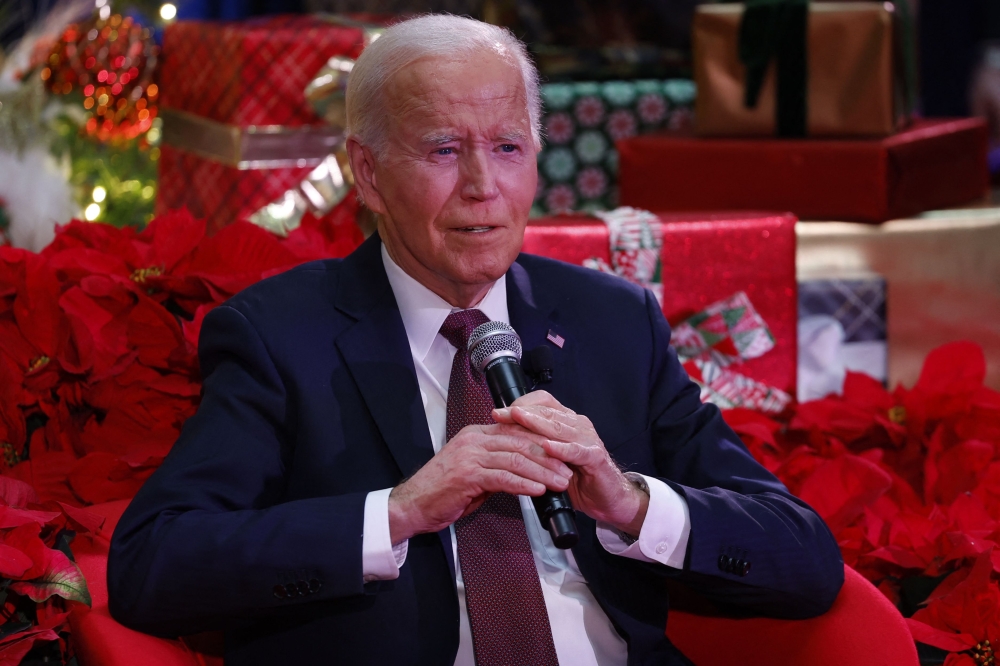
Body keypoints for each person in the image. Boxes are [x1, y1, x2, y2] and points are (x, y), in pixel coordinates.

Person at [108, 14, 843, 666]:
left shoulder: (614, 321)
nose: (482, 185)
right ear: (368, 173)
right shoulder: (279, 335)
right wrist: (398, 512)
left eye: (508, 147)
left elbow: (805, 557)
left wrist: (629, 504)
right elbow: (152, 565)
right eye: (442, 150)